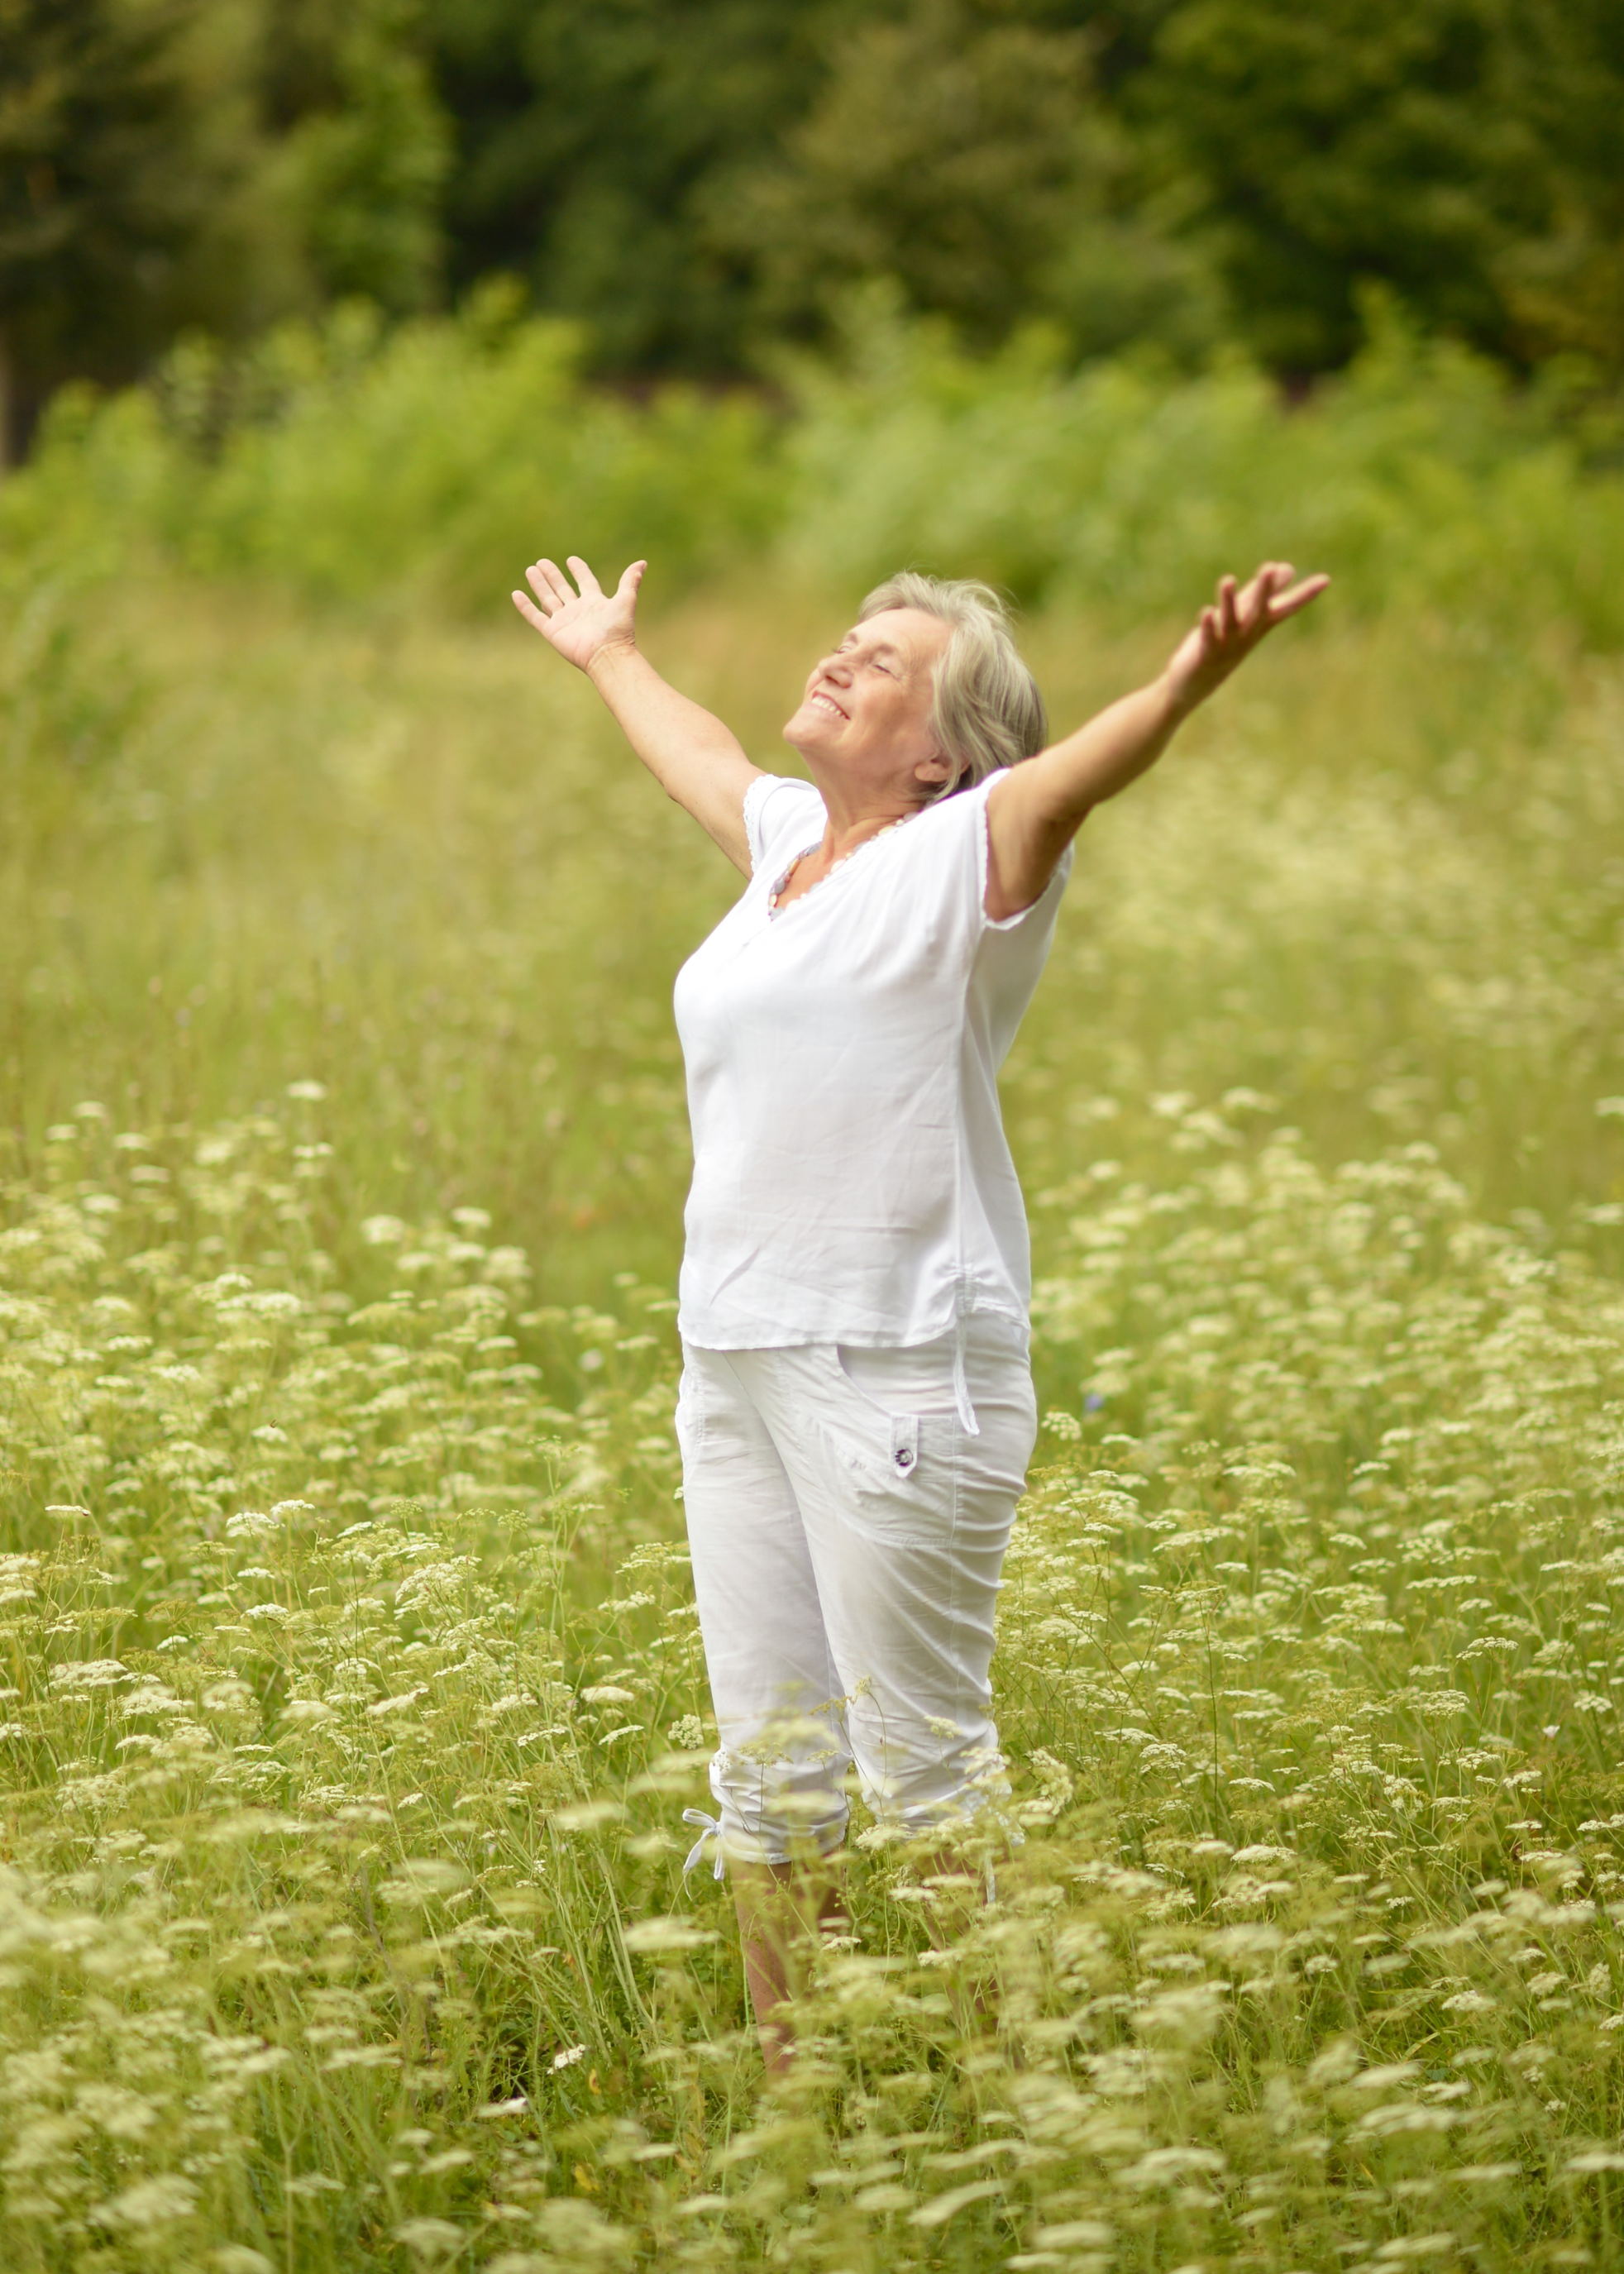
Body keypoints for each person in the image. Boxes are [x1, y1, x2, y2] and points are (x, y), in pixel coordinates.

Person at [513, 552, 1327, 2063]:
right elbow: (699, 750)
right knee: (769, 1779)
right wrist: (610, 656)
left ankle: (1017, 2122)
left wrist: (1185, 681)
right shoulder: (784, 850)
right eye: (846, 640)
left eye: (881, 662)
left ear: (942, 751)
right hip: (738, 1365)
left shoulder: (969, 855)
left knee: (928, 1780)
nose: (838, 661)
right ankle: (802, 2124)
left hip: (896, 1375)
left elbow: (1075, 778)